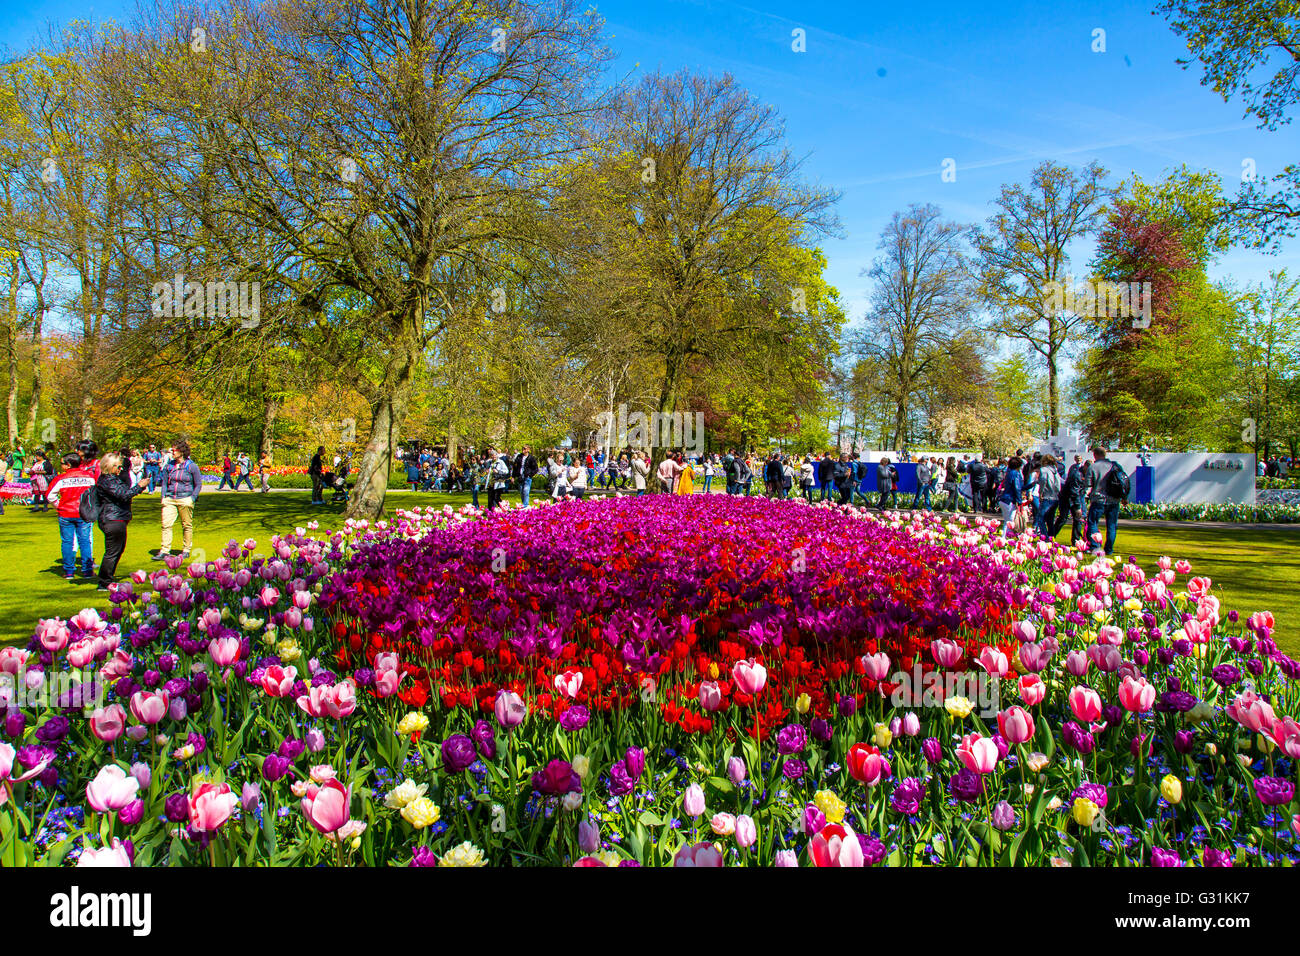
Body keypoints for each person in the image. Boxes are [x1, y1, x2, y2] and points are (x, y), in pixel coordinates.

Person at [94, 452, 150, 590]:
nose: (120, 470)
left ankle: (106, 578)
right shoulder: (108, 480)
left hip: (116, 517)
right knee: (112, 551)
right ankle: (104, 581)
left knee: (117, 549)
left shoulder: (113, 479)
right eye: (118, 467)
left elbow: (124, 493)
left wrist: (137, 489)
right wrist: (139, 486)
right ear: (110, 466)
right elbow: (124, 495)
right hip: (112, 518)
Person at [47, 452, 98, 580]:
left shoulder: (61, 479)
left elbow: (50, 496)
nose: (61, 466)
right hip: (83, 513)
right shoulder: (89, 477)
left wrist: (58, 505)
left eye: (62, 463)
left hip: (66, 513)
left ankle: (69, 571)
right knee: (85, 541)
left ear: (68, 465)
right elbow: (94, 493)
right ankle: (87, 571)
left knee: (67, 542)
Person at [155, 441, 203, 559]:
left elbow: (198, 484)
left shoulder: (191, 466)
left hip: (185, 498)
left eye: (174, 450)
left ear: (181, 452)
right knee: (166, 525)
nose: (172, 452)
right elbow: (165, 483)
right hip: (170, 498)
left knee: (186, 525)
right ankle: (165, 550)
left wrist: (192, 498)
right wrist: (163, 497)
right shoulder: (169, 466)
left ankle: (186, 549)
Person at [1085, 445, 1123, 555]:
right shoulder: (1115, 466)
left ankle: (1095, 546)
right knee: (1111, 525)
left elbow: (1087, 484)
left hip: (1098, 499)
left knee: (1093, 523)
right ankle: (1109, 549)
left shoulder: (1093, 467)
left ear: (1095, 455)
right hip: (1114, 500)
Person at [1032, 454, 1061, 537]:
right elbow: (1059, 484)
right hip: (1055, 497)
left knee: (1040, 518)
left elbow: (1043, 481)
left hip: (1047, 496)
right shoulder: (1055, 471)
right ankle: (1051, 536)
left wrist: (1040, 492)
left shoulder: (1043, 470)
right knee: (1050, 519)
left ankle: (1045, 536)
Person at [997, 455, 1025, 536]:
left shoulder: (1008, 473)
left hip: (1004, 499)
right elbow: (1017, 488)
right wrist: (1019, 501)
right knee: (1010, 522)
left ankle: (1005, 537)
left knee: (1007, 521)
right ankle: (1005, 538)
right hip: (1009, 500)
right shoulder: (1015, 474)